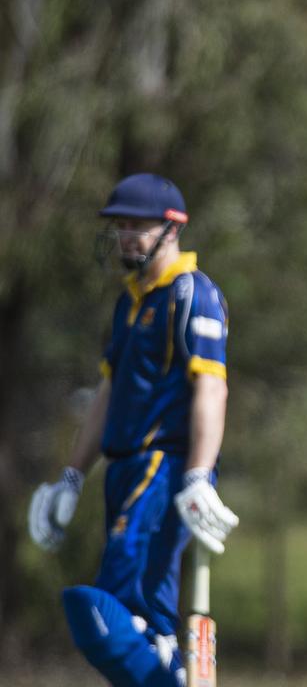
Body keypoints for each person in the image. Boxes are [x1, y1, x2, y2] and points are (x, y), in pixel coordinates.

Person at [27, 173, 240, 687]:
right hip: (122, 472)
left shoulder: (193, 293)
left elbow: (213, 389)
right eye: (120, 226)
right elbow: (107, 395)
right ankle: (170, 664)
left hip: (162, 470)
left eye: (136, 226)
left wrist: (197, 474)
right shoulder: (131, 302)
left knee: (103, 613)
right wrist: (72, 476)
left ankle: (168, 674)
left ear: (172, 229)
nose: (125, 237)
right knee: (139, 626)